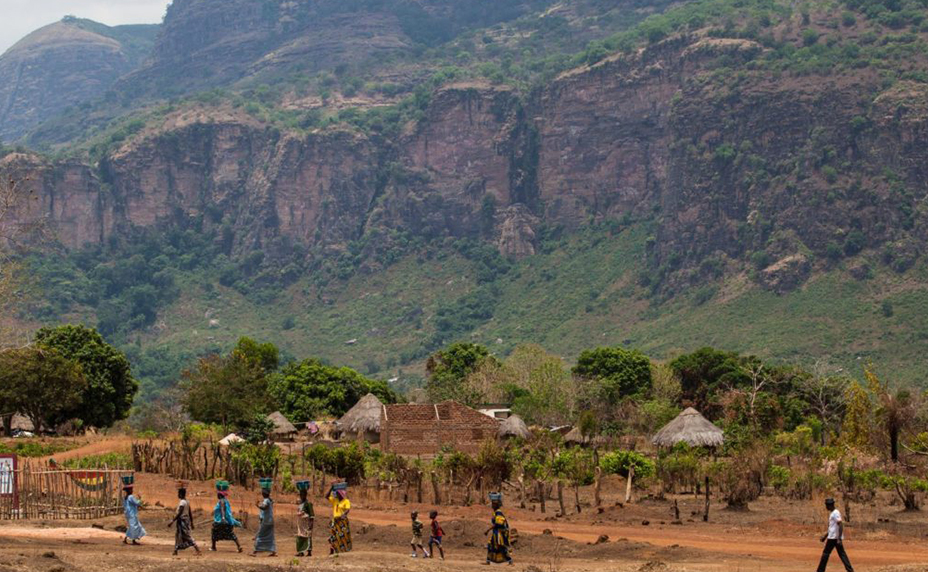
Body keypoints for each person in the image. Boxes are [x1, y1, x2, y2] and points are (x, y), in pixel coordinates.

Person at [817, 498, 854, 572]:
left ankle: (820, 570)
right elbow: (832, 527)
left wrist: (839, 538)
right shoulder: (832, 513)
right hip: (833, 537)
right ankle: (850, 570)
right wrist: (825, 536)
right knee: (842, 554)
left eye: (826, 505)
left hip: (833, 538)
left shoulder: (835, 513)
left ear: (829, 505)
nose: (826, 507)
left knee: (826, 553)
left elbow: (840, 524)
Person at [168, 487, 201, 556]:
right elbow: (190, 513)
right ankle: (175, 550)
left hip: (182, 521)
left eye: (178, 493)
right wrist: (191, 522)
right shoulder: (187, 502)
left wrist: (172, 521)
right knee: (178, 535)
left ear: (180, 494)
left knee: (186, 535)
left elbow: (179, 513)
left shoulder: (182, 502)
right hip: (186, 520)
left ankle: (197, 549)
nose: (178, 495)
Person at [211, 484, 243, 553]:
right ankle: (239, 546)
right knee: (231, 534)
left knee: (214, 531)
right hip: (228, 521)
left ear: (220, 495)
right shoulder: (225, 500)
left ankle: (213, 547)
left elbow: (223, 509)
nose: (217, 495)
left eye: (217, 494)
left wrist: (222, 518)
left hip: (221, 521)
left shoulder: (221, 501)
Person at [484, 493, 512, 565]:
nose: (492, 505)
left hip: (499, 533)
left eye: (493, 504)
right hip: (496, 532)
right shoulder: (496, 512)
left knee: (500, 546)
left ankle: (510, 560)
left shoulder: (498, 512)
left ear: (496, 505)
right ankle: (488, 561)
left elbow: (498, 524)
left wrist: (488, 530)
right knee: (491, 545)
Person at [252, 486, 277, 557]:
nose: (262, 494)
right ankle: (273, 551)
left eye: (262, 492)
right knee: (270, 536)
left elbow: (264, 507)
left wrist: (257, 505)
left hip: (266, 521)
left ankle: (255, 551)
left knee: (260, 535)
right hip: (270, 520)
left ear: (264, 493)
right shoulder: (269, 500)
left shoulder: (266, 500)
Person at [328, 484, 352, 554]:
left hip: (342, 521)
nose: (336, 495)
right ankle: (332, 549)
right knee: (333, 535)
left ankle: (343, 549)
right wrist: (331, 488)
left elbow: (347, 509)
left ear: (341, 494)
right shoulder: (335, 500)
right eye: (336, 493)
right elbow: (326, 496)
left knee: (342, 536)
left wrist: (343, 515)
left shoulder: (346, 501)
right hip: (335, 520)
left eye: (338, 493)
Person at [295, 482, 314, 557]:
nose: (301, 496)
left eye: (303, 494)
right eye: (300, 494)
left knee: (307, 536)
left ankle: (309, 552)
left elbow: (312, 515)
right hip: (300, 524)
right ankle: (301, 551)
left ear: (306, 495)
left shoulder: (308, 504)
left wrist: (311, 525)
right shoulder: (300, 503)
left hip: (306, 523)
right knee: (300, 536)